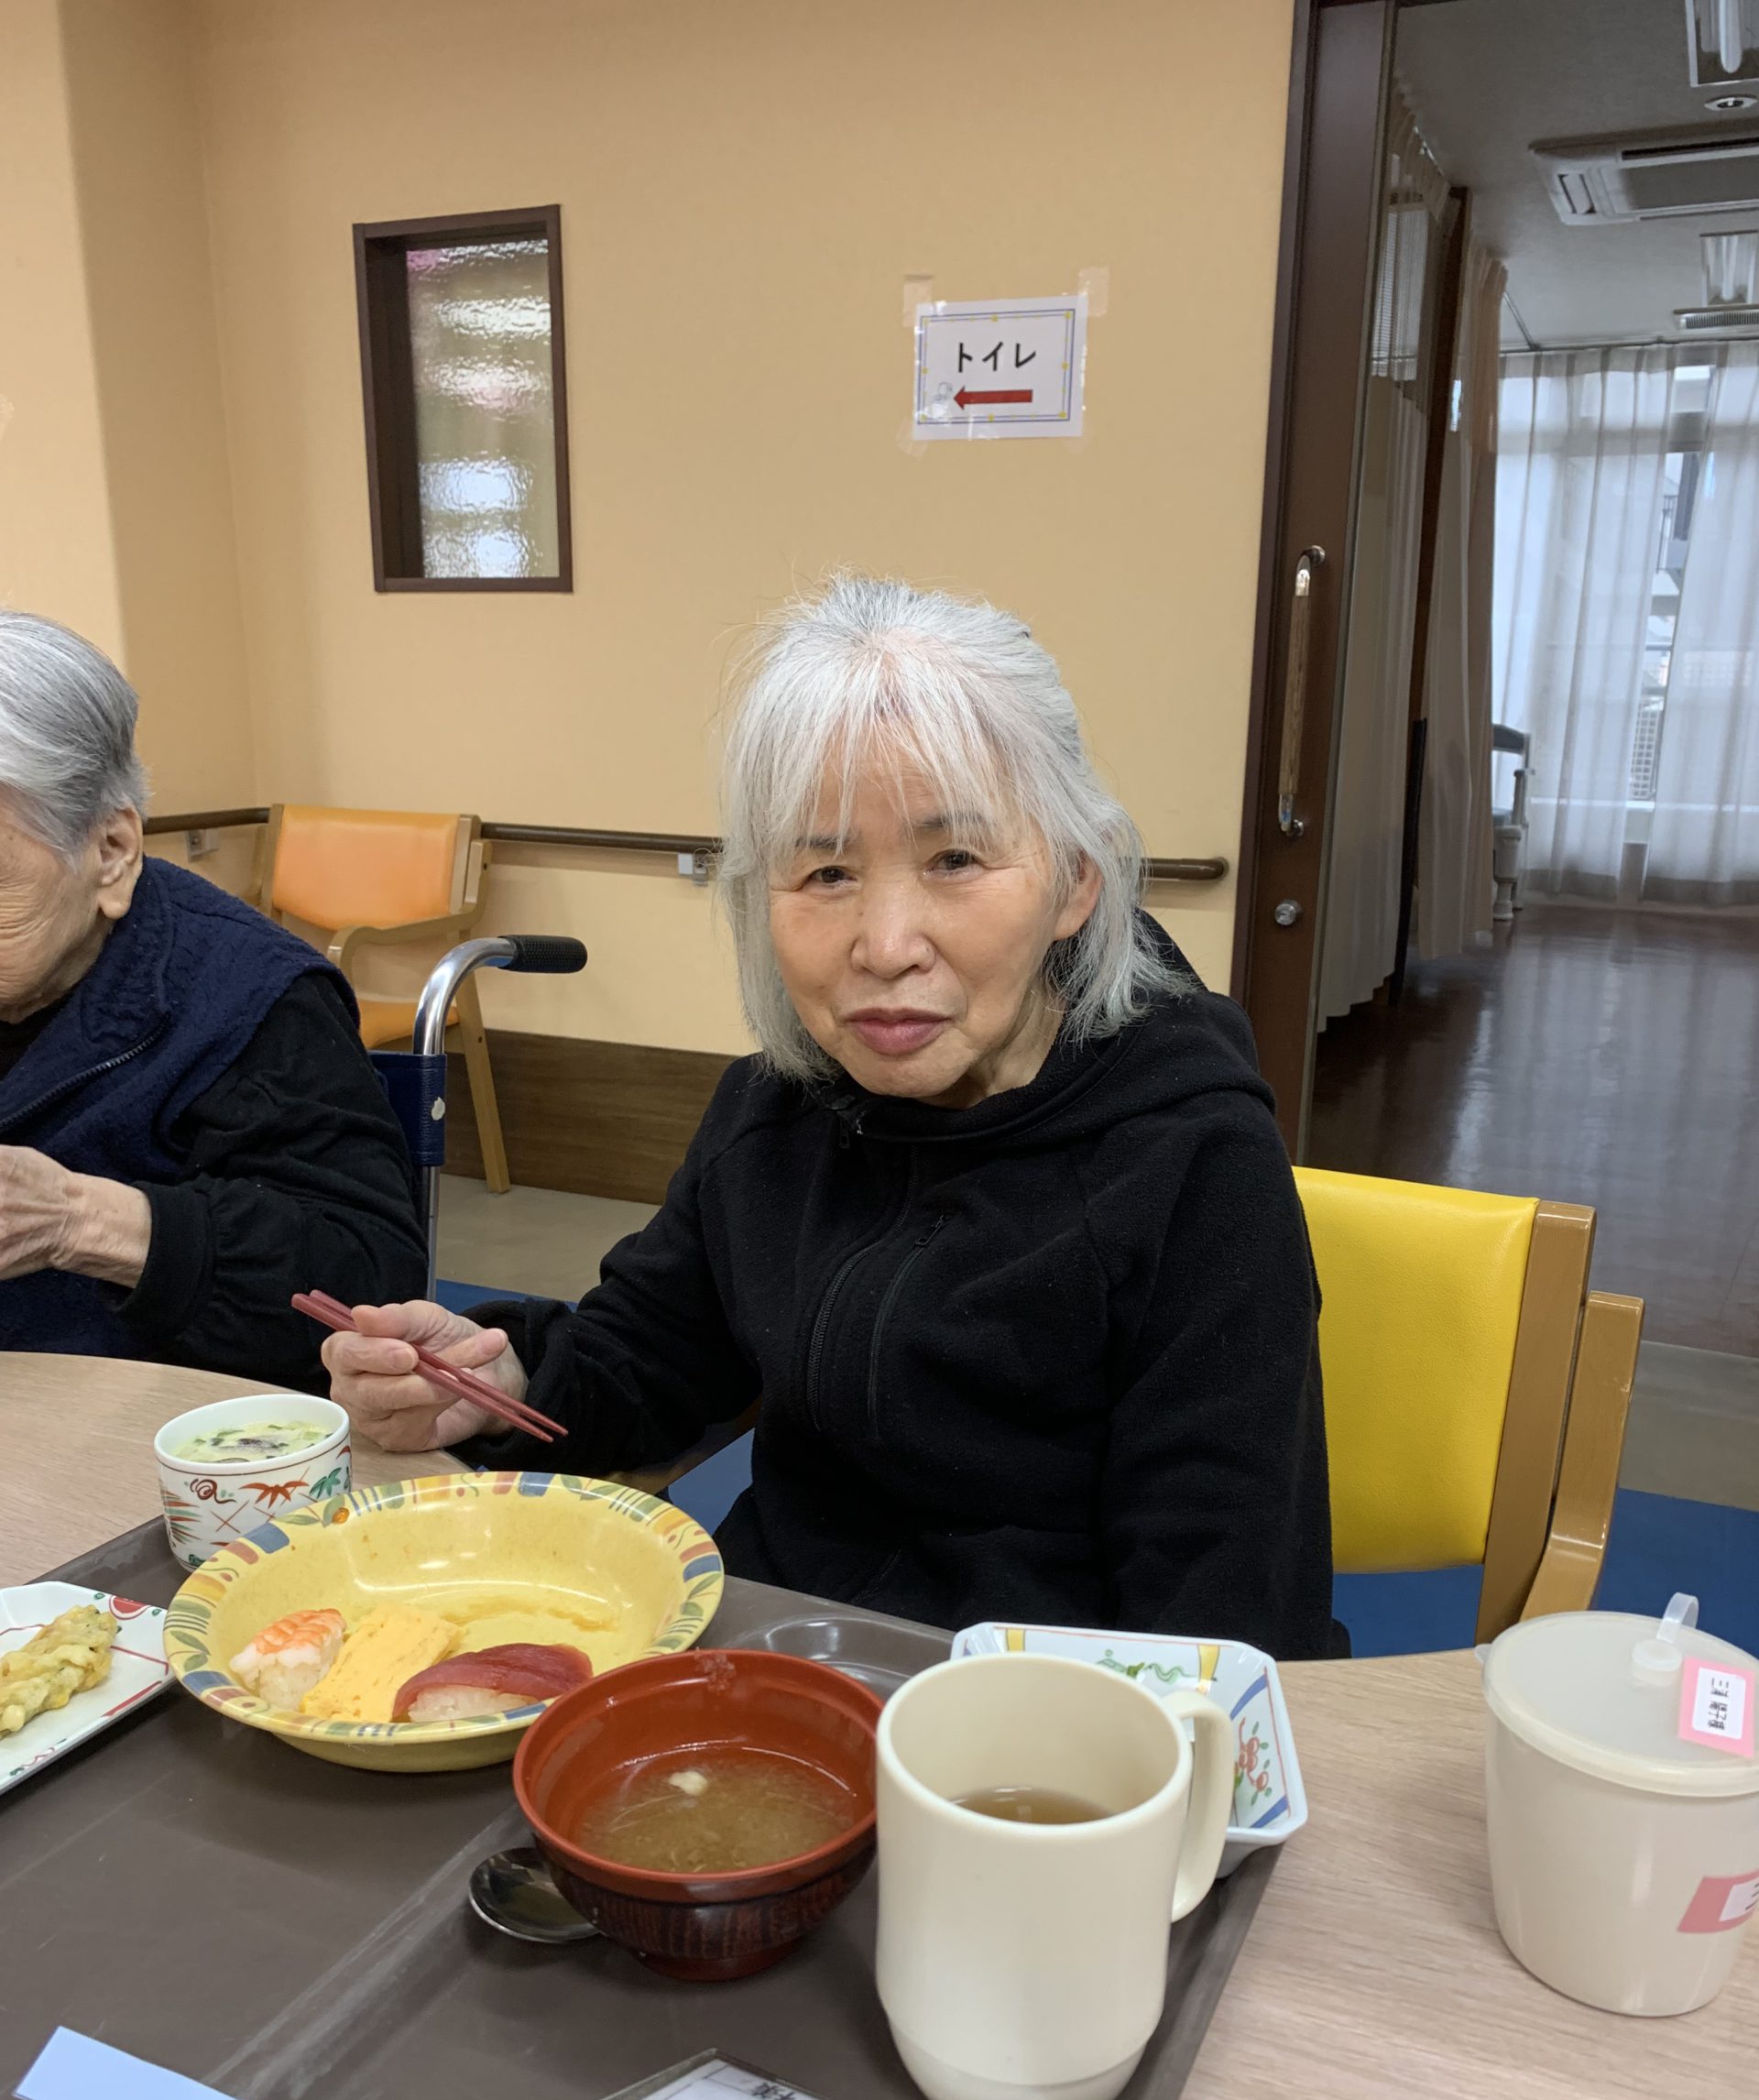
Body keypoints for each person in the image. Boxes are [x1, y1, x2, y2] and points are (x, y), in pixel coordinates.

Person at [325, 576, 1335, 1656]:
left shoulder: (1193, 1163)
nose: (885, 945)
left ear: (1077, 882)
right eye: (827, 870)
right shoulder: (776, 1112)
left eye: (955, 859)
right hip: (774, 1654)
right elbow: (655, 1356)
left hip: (1039, 1712)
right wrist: (499, 1379)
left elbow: (1220, 1617)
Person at [0, 610, 427, 1382]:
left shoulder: (250, 999)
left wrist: (78, 1221)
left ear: (110, 850)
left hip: (138, 1427)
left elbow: (368, 1285)